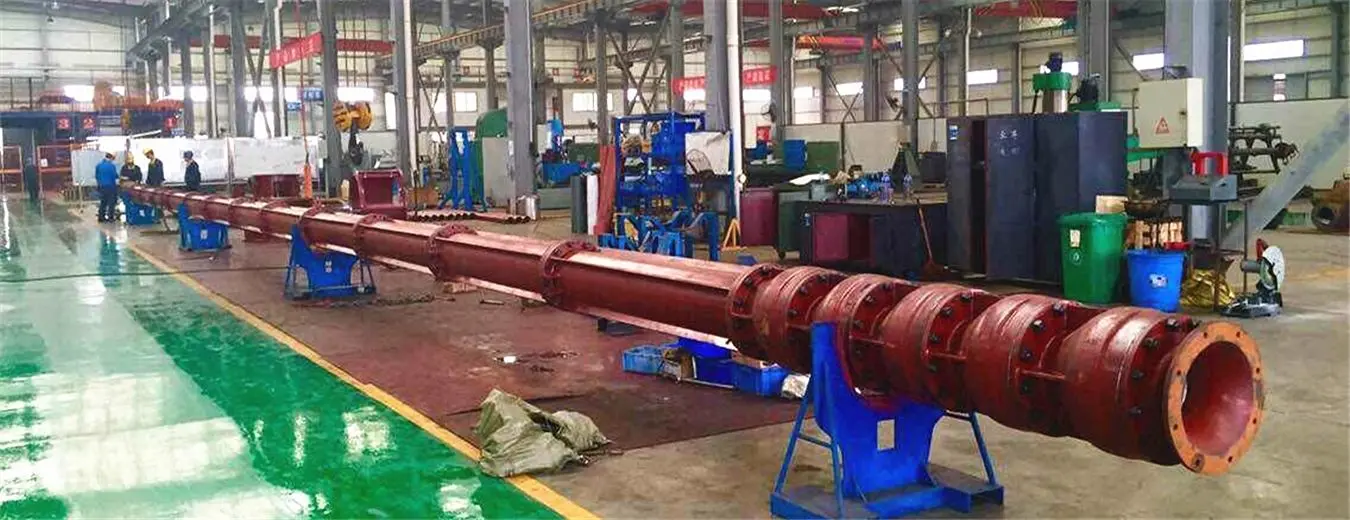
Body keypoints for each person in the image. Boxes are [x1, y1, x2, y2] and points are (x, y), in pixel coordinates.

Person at [95, 152, 118, 222]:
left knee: (103, 202)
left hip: (101, 186)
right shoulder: (112, 166)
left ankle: (101, 218)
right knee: (111, 202)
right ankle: (111, 218)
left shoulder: (98, 165)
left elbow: (96, 176)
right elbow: (115, 176)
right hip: (110, 186)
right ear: (111, 158)